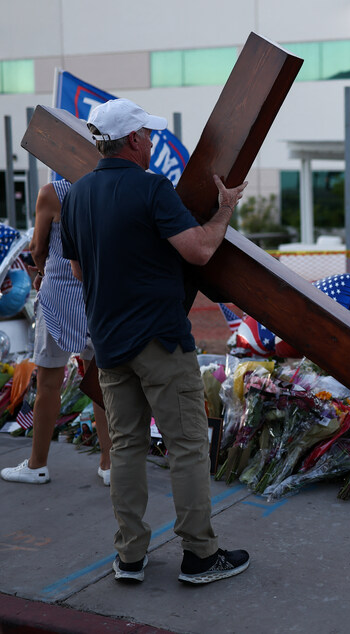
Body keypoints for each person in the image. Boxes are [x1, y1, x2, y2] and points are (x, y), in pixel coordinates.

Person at [60, 98, 249, 586]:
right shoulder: (151, 188)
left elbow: (81, 272)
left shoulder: (76, 196)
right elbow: (201, 250)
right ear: (132, 142)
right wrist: (225, 209)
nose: (153, 140)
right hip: (161, 341)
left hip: (109, 342)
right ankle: (200, 556)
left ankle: (129, 556)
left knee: (125, 446)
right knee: (186, 445)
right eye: (147, 134)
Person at [1, 180, 112, 486]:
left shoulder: (53, 192)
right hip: (97, 295)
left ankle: (37, 465)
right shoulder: (106, 186)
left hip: (59, 294)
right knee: (99, 381)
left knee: (48, 382)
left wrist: (41, 273)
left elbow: (38, 248)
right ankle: (109, 463)